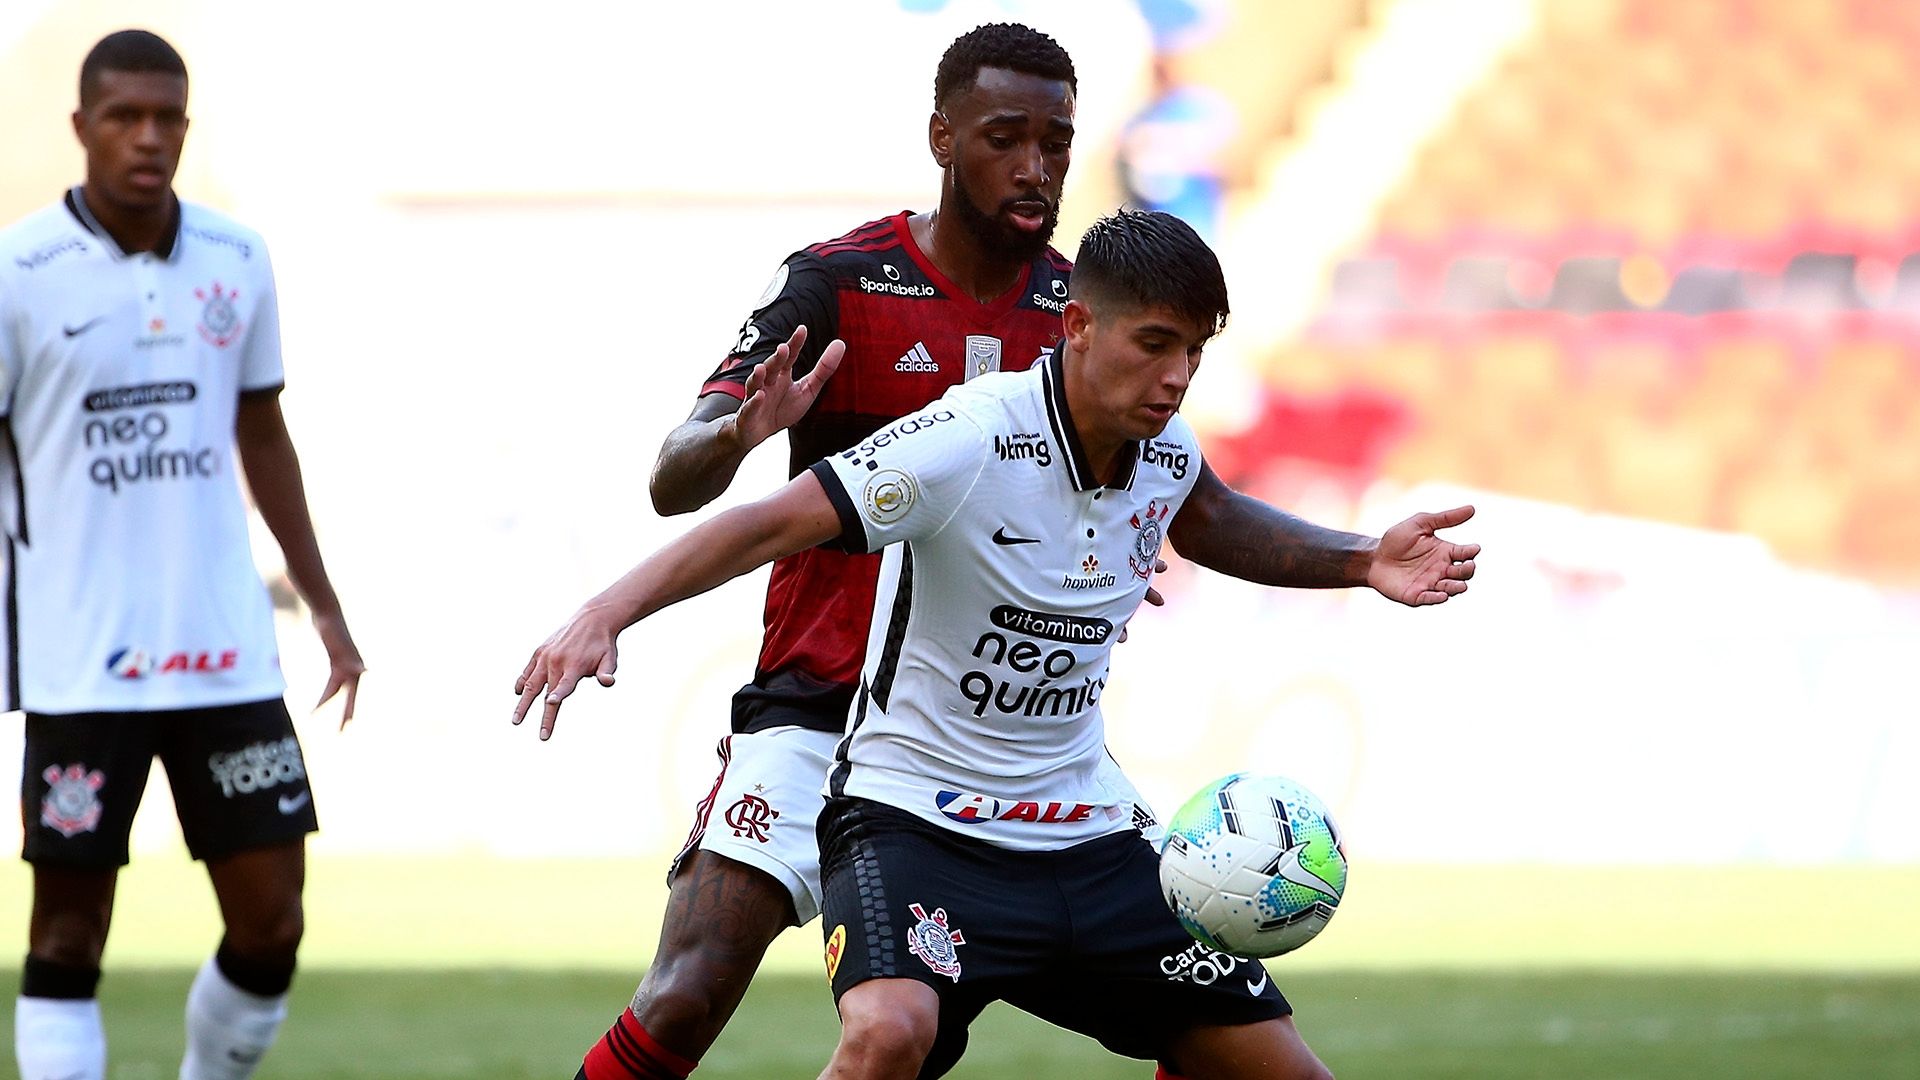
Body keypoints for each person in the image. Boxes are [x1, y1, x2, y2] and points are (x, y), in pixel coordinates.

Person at [514, 209, 1478, 1079]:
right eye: (1154, 345)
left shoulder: (1167, 452)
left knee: (1282, 1073)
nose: (1177, 377)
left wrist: (1363, 561)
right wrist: (604, 610)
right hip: (914, 816)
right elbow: (768, 523)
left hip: (1085, 826)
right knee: (887, 1032)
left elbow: (1212, 519)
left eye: (1193, 351)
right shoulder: (969, 438)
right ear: (1082, 326)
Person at [515, 23, 1144, 1080]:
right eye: (1006, 137)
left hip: (977, 746)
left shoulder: (1079, 315)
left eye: (1057, 141)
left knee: (1141, 986)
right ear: (943, 137)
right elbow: (673, 479)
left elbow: (1127, 491)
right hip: (815, 709)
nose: (1036, 166)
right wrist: (735, 433)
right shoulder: (837, 282)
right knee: (684, 995)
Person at [0, 30, 363, 1080]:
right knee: (66, 938)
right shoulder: (19, 272)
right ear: (83, 127)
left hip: (224, 652)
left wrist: (325, 603)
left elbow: (262, 434)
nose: (147, 137)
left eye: (167, 116)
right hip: (80, 661)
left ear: (185, 126)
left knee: (272, 925)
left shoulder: (237, 258)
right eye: (124, 116)